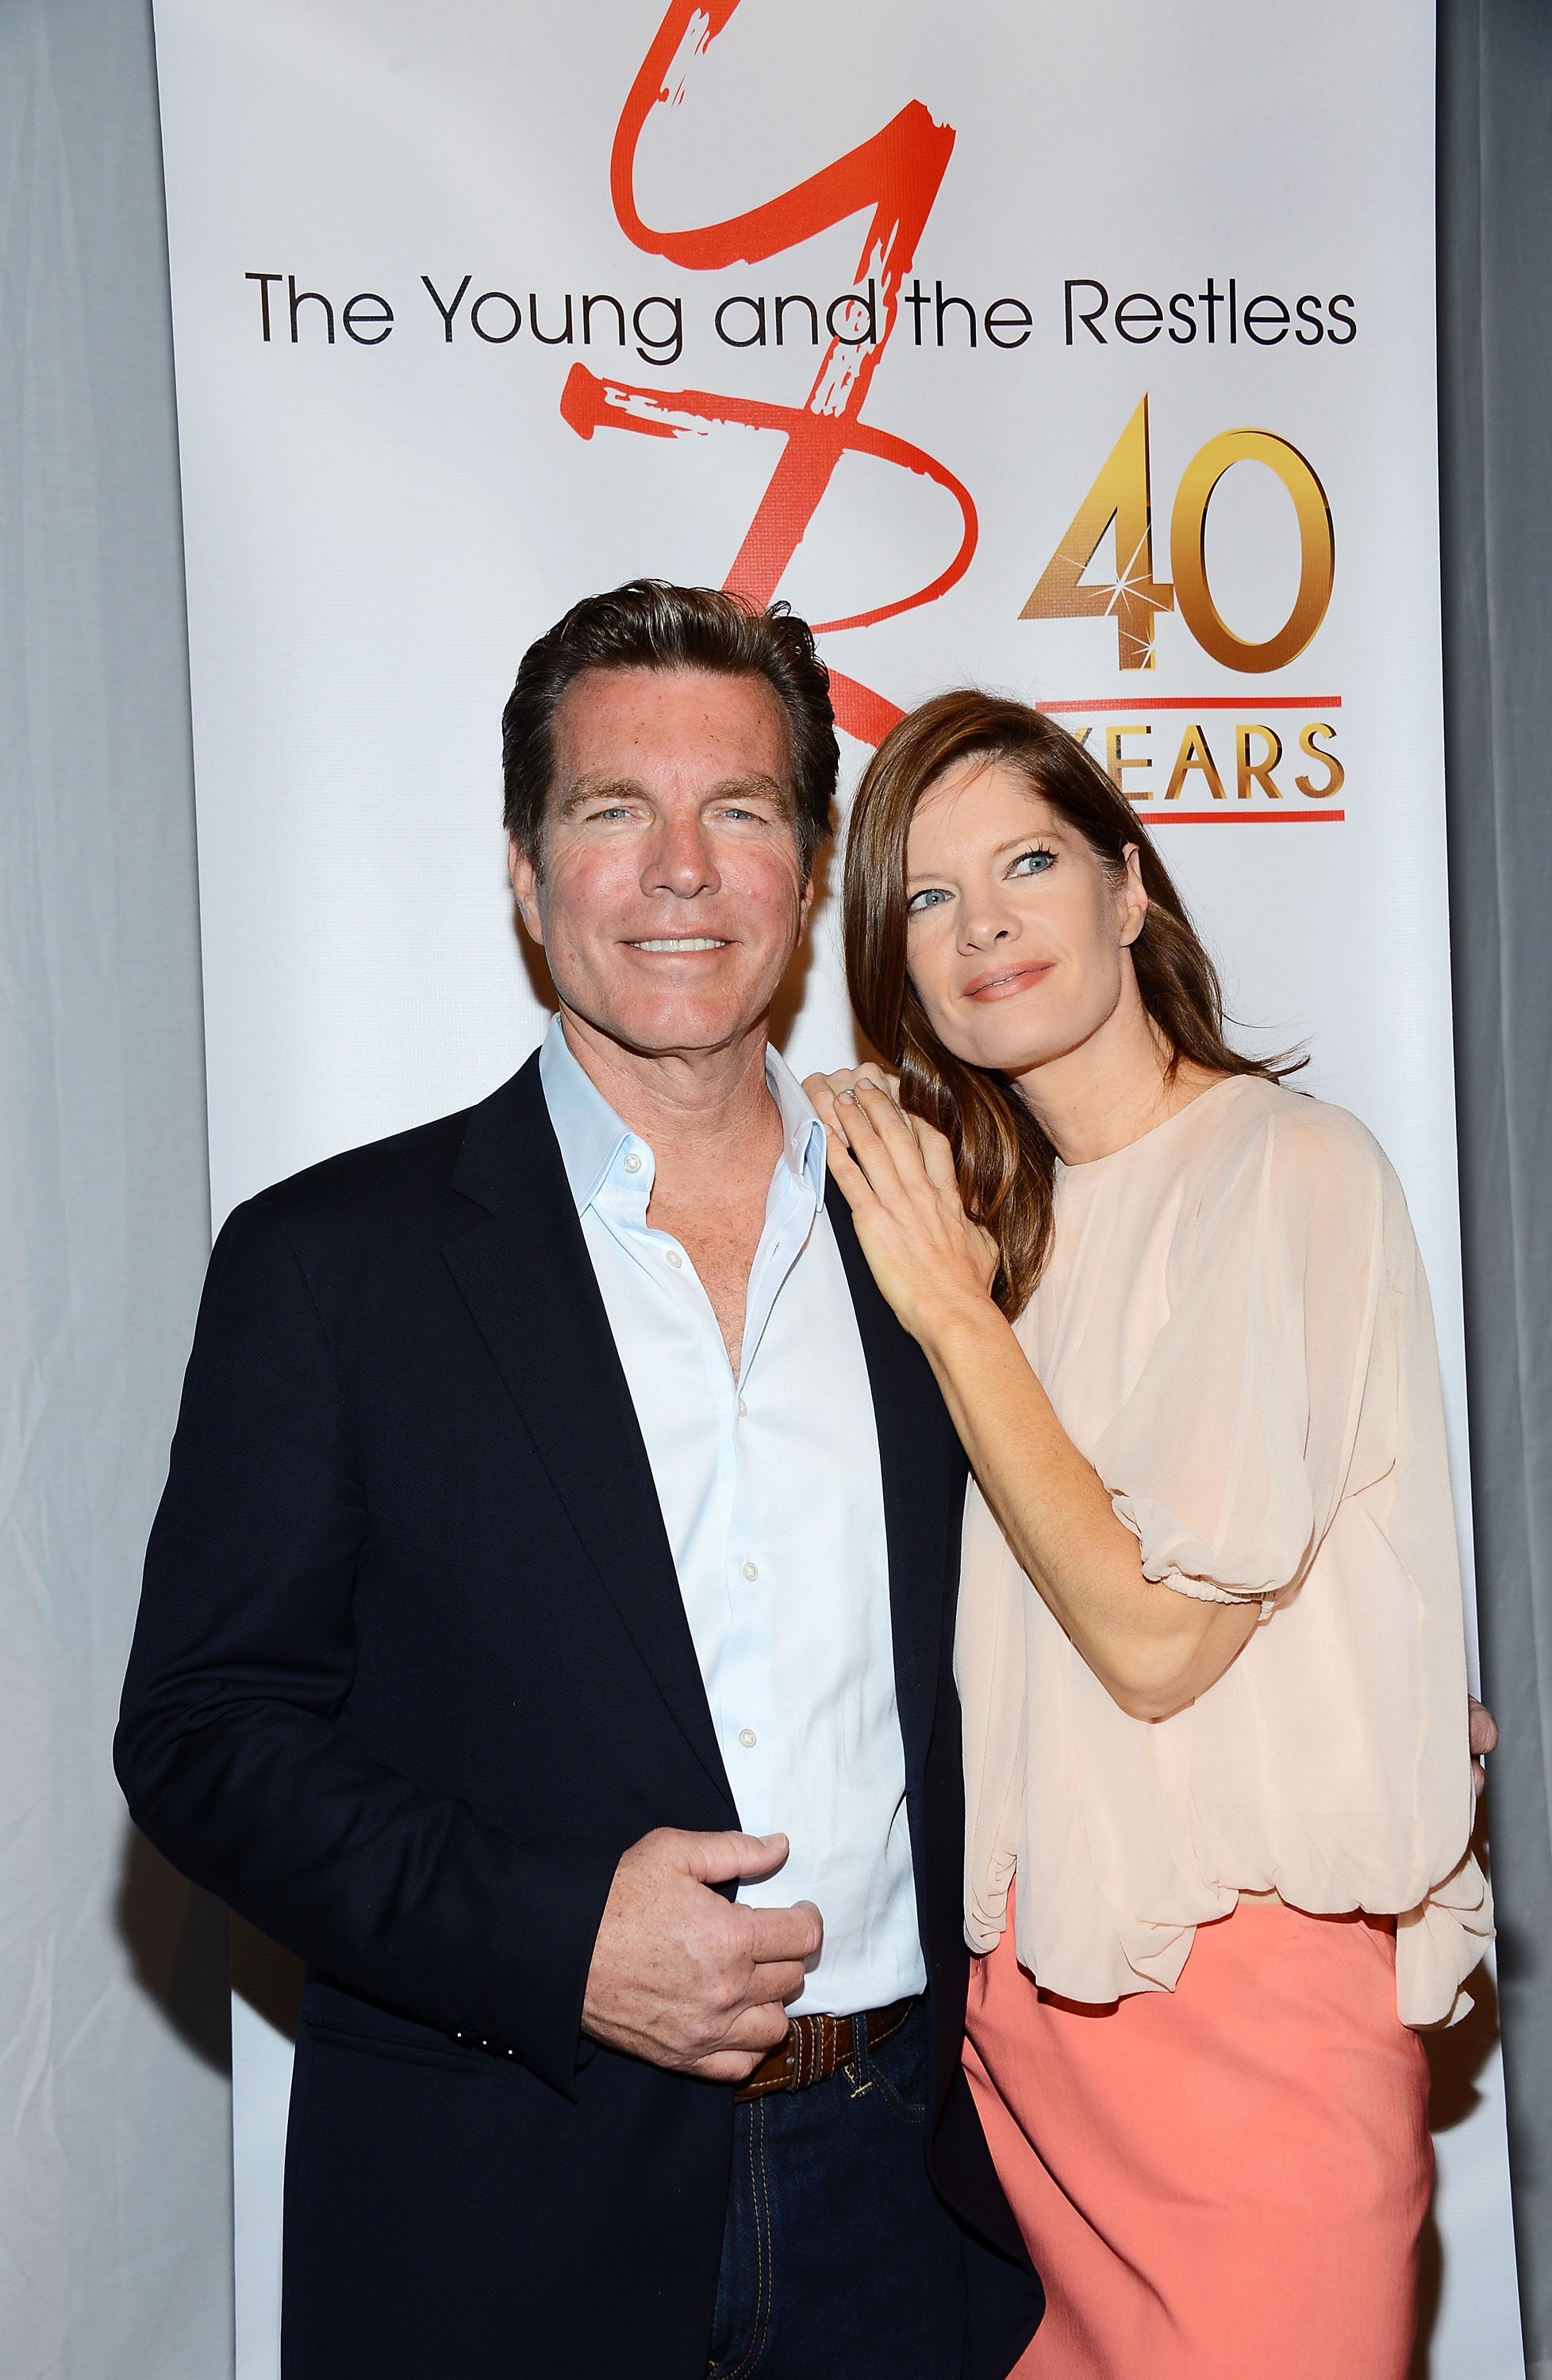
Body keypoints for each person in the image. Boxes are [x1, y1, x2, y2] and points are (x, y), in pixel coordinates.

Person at [113, 588, 1043, 2380]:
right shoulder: (334, 1263)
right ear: (531, 879)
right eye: (617, 813)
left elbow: (1077, 1599)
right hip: (500, 2202)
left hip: (911, 2195)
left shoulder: (945, 1226)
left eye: (743, 811)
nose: (681, 869)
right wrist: (561, 1936)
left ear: (808, 869)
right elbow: (207, 1737)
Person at [806, 689, 1493, 2380]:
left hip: (1245, 2015)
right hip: (1031, 2031)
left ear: (1130, 889)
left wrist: (955, 1320)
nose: (985, 928)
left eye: (1028, 862)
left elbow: (1156, 1637)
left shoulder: (1289, 1170)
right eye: (928, 899)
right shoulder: (1002, 1245)